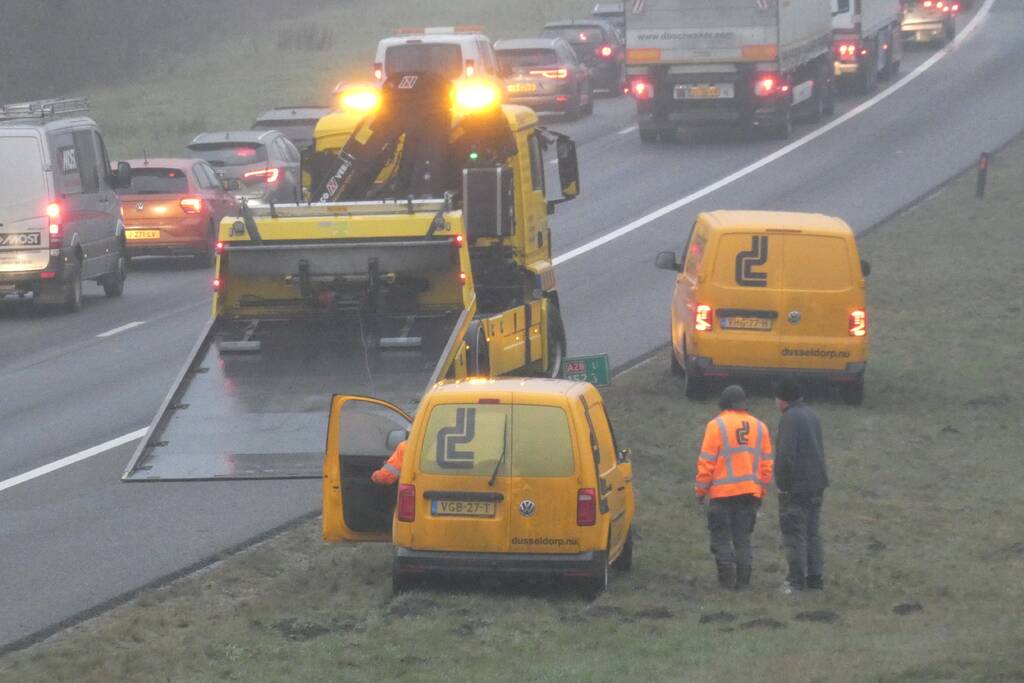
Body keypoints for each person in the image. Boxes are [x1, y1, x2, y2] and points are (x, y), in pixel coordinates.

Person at [695, 385, 774, 590]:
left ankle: (726, 581)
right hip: (750, 494)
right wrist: (761, 491)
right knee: (743, 538)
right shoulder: (760, 427)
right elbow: (767, 464)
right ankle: (744, 582)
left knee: (721, 538)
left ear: (724, 404)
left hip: (722, 495)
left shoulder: (716, 426)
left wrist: (700, 491)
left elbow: (707, 462)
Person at [773, 378, 828, 592]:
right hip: (817, 484)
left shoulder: (790, 419)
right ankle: (815, 579)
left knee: (794, 533)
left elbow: (785, 455)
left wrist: (783, 485)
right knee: (812, 533)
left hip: (797, 486)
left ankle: (795, 581)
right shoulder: (812, 415)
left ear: (783, 399)